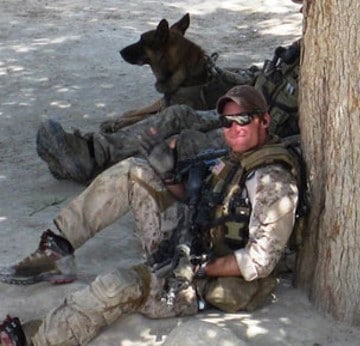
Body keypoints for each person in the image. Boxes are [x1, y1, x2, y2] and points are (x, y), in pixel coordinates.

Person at [0, 85, 300, 345]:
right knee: (135, 169)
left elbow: (259, 262)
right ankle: (57, 249)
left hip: (205, 282)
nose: (233, 128)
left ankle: (33, 338)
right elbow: (207, 204)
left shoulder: (273, 182)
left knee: (116, 284)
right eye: (226, 121)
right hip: (190, 246)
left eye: (243, 120)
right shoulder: (237, 159)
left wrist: (199, 267)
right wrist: (169, 178)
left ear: (264, 121)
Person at [36, 39, 301, 185]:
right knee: (179, 114)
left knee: (185, 143)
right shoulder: (303, 50)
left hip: (264, 135)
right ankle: (93, 151)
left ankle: (96, 167)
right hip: (245, 112)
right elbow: (263, 78)